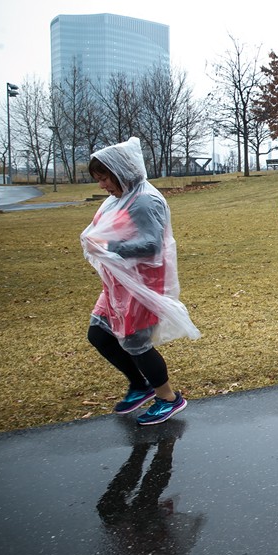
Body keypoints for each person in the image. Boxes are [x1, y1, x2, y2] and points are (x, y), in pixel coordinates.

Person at [81, 137, 200, 426]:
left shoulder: (145, 200)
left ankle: (169, 398)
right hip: (118, 282)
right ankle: (140, 385)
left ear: (120, 171)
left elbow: (152, 246)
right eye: (98, 179)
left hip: (141, 283)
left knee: (136, 342)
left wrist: (108, 249)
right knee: (99, 334)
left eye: (104, 177)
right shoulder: (122, 197)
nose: (101, 185)